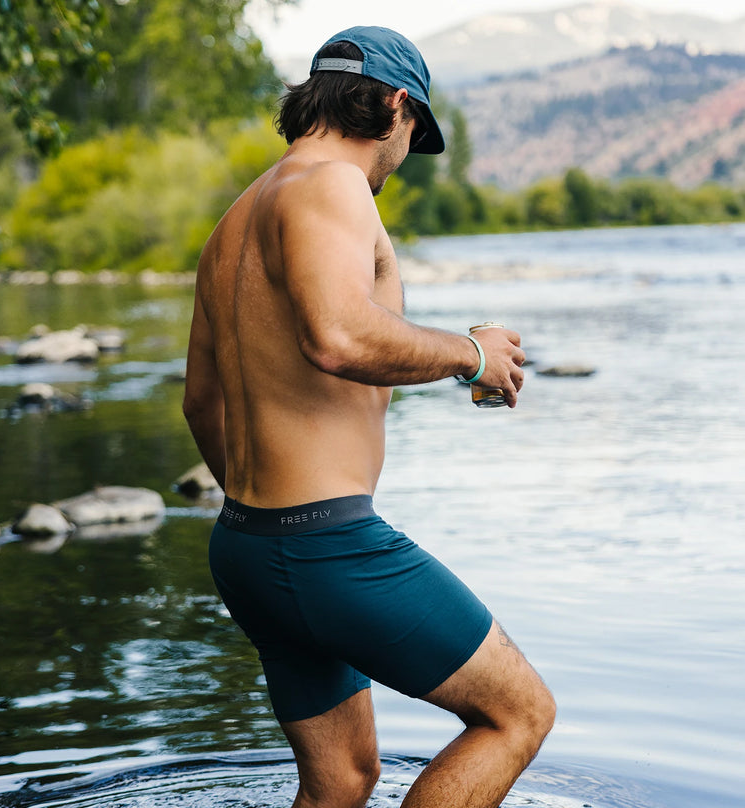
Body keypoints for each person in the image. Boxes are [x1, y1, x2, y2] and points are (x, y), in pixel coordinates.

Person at [183, 25, 555, 808]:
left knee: (342, 780)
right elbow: (339, 334)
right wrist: (471, 354)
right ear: (395, 105)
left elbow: (202, 402)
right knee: (517, 715)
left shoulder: (234, 223)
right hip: (326, 546)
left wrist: (264, 518)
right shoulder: (332, 186)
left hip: (249, 544)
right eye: (413, 135)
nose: (401, 162)